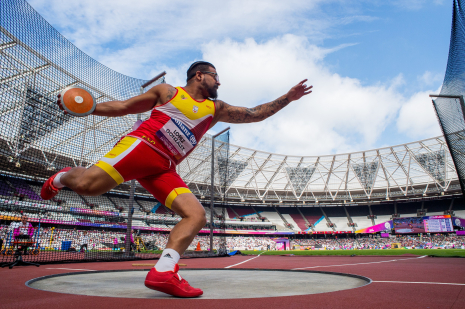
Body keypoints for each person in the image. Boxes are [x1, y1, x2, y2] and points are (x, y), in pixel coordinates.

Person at [41, 61, 312, 297]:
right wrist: (90, 107)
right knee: (89, 187)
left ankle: (164, 271)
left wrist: (288, 97)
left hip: (164, 168)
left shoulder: (215, 108)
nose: (219, 81)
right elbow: (124, 106)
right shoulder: (168, 92)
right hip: (142, 146)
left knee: (196, 216)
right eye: (215, 76)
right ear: (199, 76)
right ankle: (62, 177)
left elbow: (254, 114)